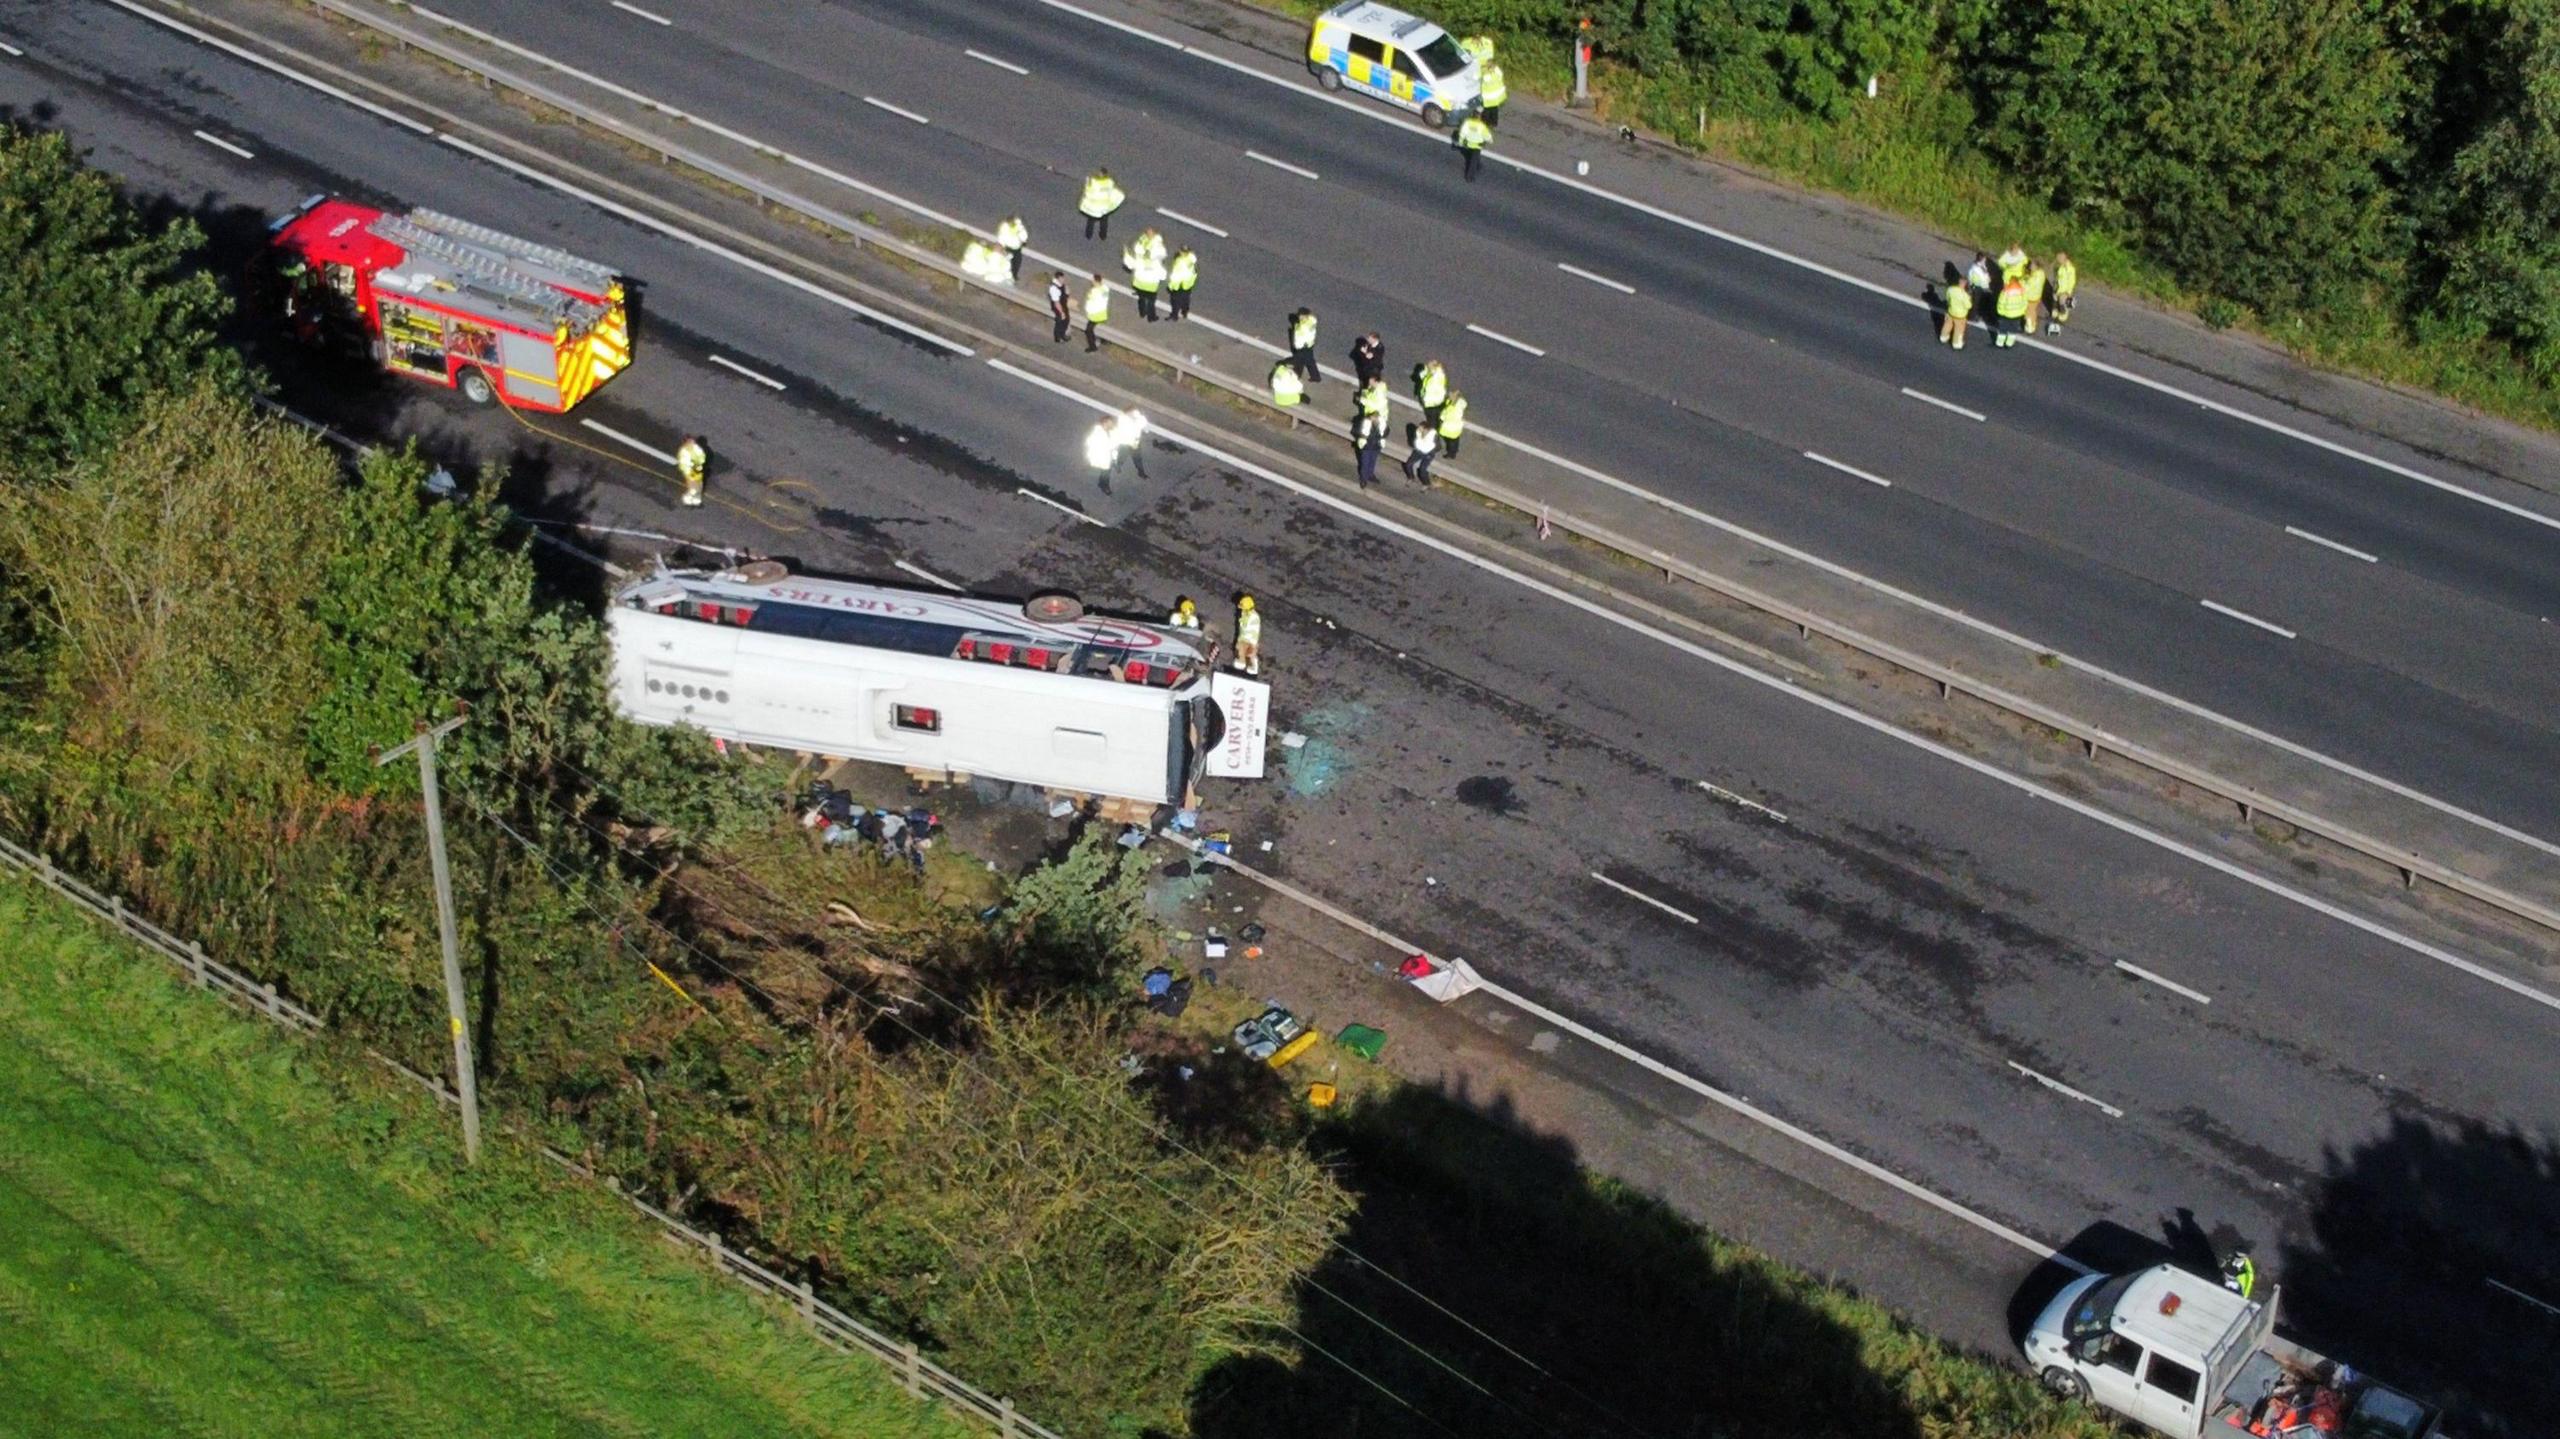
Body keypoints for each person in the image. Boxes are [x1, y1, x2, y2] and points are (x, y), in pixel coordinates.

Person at [1079, 168, 1125, 241]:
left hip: (1094, 207)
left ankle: (1088, 235)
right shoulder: (1109, 182)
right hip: (1104, 207)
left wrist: (1087, 183)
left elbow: (1088, 192)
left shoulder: (1094, 182)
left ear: (1100, 174)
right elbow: (1113, 190)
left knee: (1091, 221)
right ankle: (1103, 236)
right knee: (1104, 222)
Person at [1128, 244, 1165, 321]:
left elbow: (1130, 265)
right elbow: (1163, 276)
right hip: (1151, 287)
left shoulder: (1139, 262)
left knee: (1141, 299)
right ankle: (1151, 317)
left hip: (1140, 286)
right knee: (1151, 303)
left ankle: (1142, 313)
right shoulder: (1156, 264)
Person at [1111, 407, 1149, 478]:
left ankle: (1118, 466)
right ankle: (1140, 472)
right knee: (1134, 457)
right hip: (1130, 442)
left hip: (1128, 442)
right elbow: (1146, 430)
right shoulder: (1139, 420)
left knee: (1128, 456)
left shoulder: (1123, 419)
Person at [1353, 408, 1385, 489]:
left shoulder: (1381, 424)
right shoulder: (1364, 423)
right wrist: (1363, 436)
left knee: (1372, 462)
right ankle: (1363, 479)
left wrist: (1382, 436)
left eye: (1376, 417)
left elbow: (1386, 431)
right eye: (1374, 417)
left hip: (1376, 446)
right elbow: (1357, 431)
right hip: (1366, 446)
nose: (1375, 419)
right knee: (1365, 463)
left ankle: (1370, 475)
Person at [1994, 274, 2028, 348]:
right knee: (2013, 329)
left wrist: (2000, 312)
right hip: (2017, 314)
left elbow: (2001, 302)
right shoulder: (2022, 290)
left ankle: (1999, 343)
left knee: (2003, 328)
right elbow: (2025, 302)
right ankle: (2009, 343)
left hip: (2006, 314)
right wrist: (2022, 311)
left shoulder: (2006, 291)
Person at [1085, 416, 1120, 488]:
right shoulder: (1097, 432)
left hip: (1108, 456)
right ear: (1104, 423)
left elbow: (1115, 446)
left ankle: (1103, 483)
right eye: (1110, 423)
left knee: (1106, 471)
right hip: (1101, 455)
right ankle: (1104, 485)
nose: (1112, 425)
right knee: (1106, 471)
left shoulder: (1112, 432)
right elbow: (1089, 442)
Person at [1401, 419, 1439, 485]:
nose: (1419, 429)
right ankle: (1411, 477)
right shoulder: (1418, 432)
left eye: (1421, 428)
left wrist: (1430, 452)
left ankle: (1426, 483)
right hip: (1418, 451)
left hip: (1428, 453)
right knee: (1408, 464)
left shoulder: (1433, 435)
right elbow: (1414, 441)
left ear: (1426, 429)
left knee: (1422, 470)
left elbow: (1438, 446)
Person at [1456, 111, 1491, 182]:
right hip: (1477, 145)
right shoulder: (1482, 126)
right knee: (1473, 162)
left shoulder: (1467, 123)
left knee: (1471, 157)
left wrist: (1460, 142)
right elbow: (1487, 137)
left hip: (1468, 144)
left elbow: (1462, 133)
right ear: (1480, 117)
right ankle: (1469, 177)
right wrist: (1490, 141)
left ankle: (1478, 165)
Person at [1288, 307, 1320, 384]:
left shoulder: (1302, 327)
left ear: (1305, 316)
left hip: (1302, 347)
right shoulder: (1312, 320)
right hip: (1310, 344)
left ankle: (1296, 377)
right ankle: (1315, 377)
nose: (1299, 317)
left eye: (1300, 315)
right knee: (1309, 361)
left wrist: (1296, 347)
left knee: (1298, 362)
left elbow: (1299, 340)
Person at [674, 435, 708, 507]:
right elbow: (684, 463)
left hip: (697, 469)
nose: (692, 442)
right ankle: (687, 498)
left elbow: (701, 457)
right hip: (690, 471)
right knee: (693, 487)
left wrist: (699, 464)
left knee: (699, 485)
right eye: (690, 441)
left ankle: (696, 499)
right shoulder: (684, 452)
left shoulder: (696, 448)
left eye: (692, 441)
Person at [1166, 247, 1197, 321]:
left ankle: (1174, 316)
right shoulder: (1192, 258)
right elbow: (1194, 271)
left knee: (1175, 301)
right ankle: (1184, 312)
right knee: (1186, 299)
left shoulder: (1180, 262)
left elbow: (1176, 276)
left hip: (1179, 285)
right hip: (1188, 283)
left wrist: (1170, 286)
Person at [1233, 594, 1262, 675]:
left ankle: (1252, 665)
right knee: (1241, 649)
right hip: (1244, 637)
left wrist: (1251, 641)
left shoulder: (1253, 616)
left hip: (1250, 639)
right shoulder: (1245, 614)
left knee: (1250, 653)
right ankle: (1242, 662)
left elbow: (1252, 629)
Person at [1939, 278, 1972, 349]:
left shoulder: (1951, 289)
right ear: (1965, 285)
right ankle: (1956, 343)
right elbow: (1968, 306)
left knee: (1947, 324)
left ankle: (1943, 337)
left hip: (1951, 311)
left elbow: (1947, 298)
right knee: (1958, 329)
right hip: (1960, 315)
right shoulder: (1965, 295)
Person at [1414, 358, 1448, 425]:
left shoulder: (1438, 377)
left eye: (1430, 366)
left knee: (1432, 420)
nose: (1428, 366)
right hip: (1429, 403)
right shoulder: (1432, 374)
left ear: (1434, 367)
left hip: (1432, 404)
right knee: (1430, 417)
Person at [2049, 251, 2077, 331]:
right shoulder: (2061, 267)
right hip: (2059, 289)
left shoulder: (2070, 269)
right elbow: (2057, 278)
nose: (2058, 260)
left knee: (2062, 302)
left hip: (2065, 290)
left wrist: (2068, 292)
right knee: (2055, 300)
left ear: (2064, 258)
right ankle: (2055, 315)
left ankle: (2062, 316)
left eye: (2059, 258)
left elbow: (2072, 281)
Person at [996, 214, 1029, 282]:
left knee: (1017, 262)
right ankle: (1005, 275)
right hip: (1008, 248)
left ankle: (1014, 275)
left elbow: (1023, 233)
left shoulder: (1018, 226)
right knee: (1007, 262)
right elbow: (1001, 238)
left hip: (1017, 249)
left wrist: (1024, 239)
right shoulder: (1005, 228)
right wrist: (1002, 248)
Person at [1083, 273, 1110, 352]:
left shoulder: (1094, 292)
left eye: (1092, 280)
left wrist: (1088, 310)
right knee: (1100, 328)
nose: (1091, 282)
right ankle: (1104, 340)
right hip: (1102, 313)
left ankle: (1092, 346)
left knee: (1088, 330)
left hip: (1095, 314)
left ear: (1095, 281)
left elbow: (1089, 302)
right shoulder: (1105, 288)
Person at [1436, 389, 1467, 457]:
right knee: (1455, 440)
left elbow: (1442, 417)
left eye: (1450, 395)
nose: (1448, 396)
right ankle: (1455, 450)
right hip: (1458, 427)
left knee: (1450, 442)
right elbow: (1464, 404)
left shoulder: (1450, 409)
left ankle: (1451, 454)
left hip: (1449, 429)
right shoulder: (1461, 403)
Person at [1477, 59, 1507, 129]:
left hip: (1489, 97)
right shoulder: (1497, 72)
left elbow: (1483, 77)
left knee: (1487, 110)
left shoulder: (1488, 75)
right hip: (1497, 97)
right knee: (1494, 110)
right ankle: (1494, 123)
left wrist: (1483, 70)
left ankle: (1485, 123)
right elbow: (1499, 72)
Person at [2023, 260, 2049, 335]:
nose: (2030, 266)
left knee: (2028, 313)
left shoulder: (2035, 277)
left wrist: (2022, 282)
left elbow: (2027, 286)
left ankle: (2029, 328)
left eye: (2032, 265)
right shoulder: (2040, 273)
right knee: (2032, 311)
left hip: (2031, 297)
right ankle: (2033, 324)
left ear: (2036, 266)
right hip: (2036, 296)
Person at [1047, 272, 1073, 344]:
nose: (1063, 280)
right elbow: (1056, 302)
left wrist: (1067, 294)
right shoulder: (1054, 288)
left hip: (1063, 304)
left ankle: (1062, 334)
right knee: (1060, 322)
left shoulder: (1060, 285)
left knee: (1066, 320)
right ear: (1058, 279)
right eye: (1062, 278)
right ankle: (1058, 337)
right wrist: (1061, 313)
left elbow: (1064, 294)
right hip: (1058, 307)